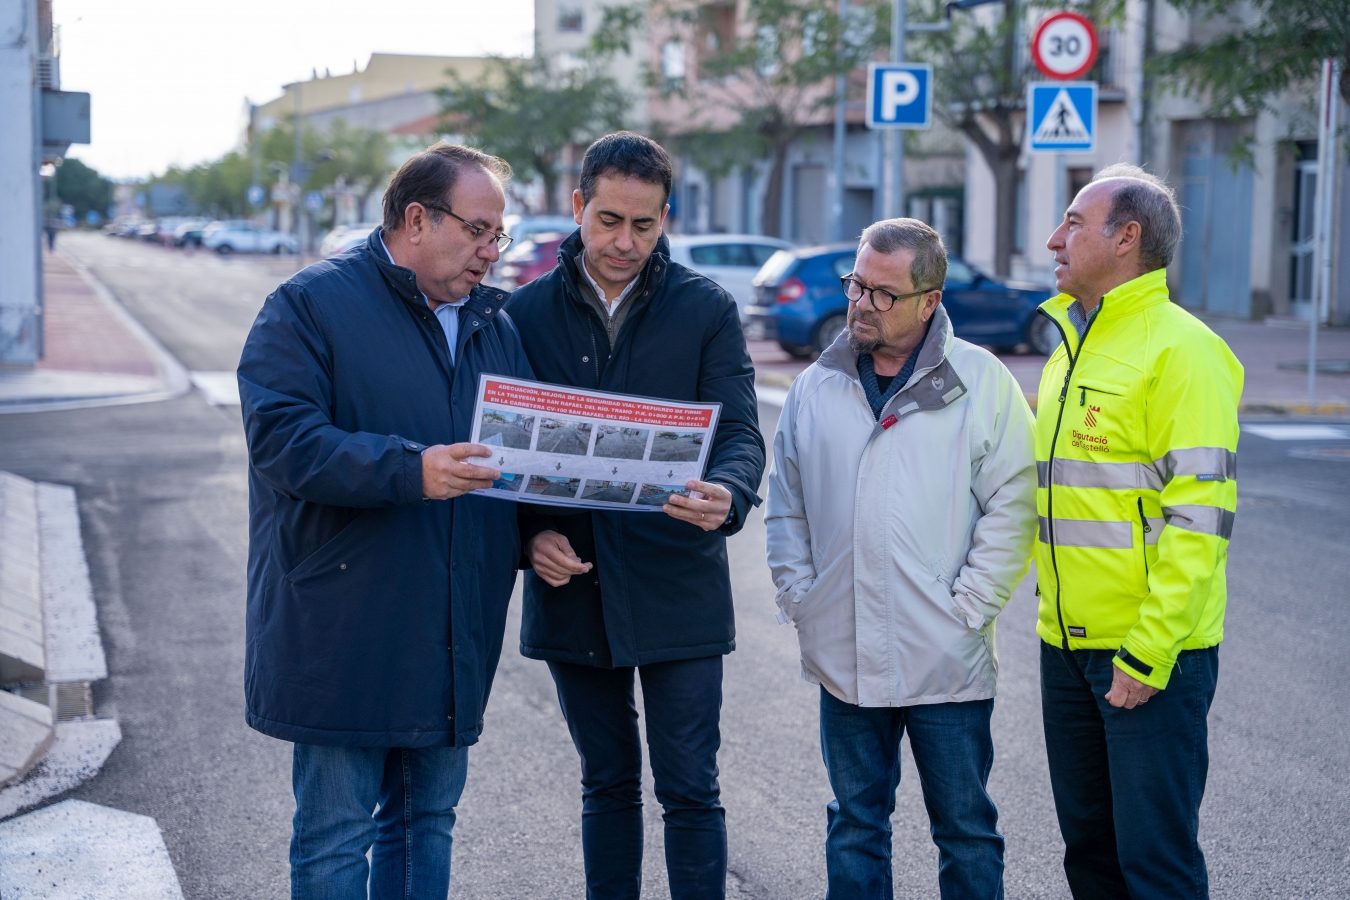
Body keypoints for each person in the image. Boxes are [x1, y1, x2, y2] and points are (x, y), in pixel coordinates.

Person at [237, 143, 533, 900]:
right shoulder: (310, 305)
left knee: (426, 822)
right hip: (348, 621)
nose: (491, 252)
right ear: (416, 219)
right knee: (336, 834)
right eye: (477, 230)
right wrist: (411, 470)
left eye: (498, 235)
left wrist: (538, 537)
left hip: (452, 624)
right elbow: (283, 441)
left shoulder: (493, 325)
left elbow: (517, 460)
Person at [505, 131, 765, 900]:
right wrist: (528, 535)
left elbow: (740, 432)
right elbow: (500, 451)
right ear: (577, 206)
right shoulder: (522, 314)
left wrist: (730, 491)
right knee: (608, 780)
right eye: (609, 220)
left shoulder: (706, 308)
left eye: (644, 225)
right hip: (573, 585)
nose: (625, 241)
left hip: (677, 577)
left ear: (666, 218)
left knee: (690, 785)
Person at [765, 218, 1037, 899]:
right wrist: (802, 598)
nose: (861, 304)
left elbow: (1014, 505)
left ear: (929, 300)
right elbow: (786, 505)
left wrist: (968, 608)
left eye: (883, 294)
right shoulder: (816, 386)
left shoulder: (982, 381)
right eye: (856, 285)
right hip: (844, 654)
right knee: (855, 824)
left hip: (944, 656)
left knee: (965, 830)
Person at [1034, 163, 1243, 899]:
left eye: (1073, 224)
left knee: (1155, 866)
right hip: (1066, 649)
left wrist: (1149, 652)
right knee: (1090, 858)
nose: (1054, 240)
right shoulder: (1070, 348)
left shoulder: (1183, 351)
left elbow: (1200, 519)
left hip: (1148, 656)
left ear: (1126, 238)